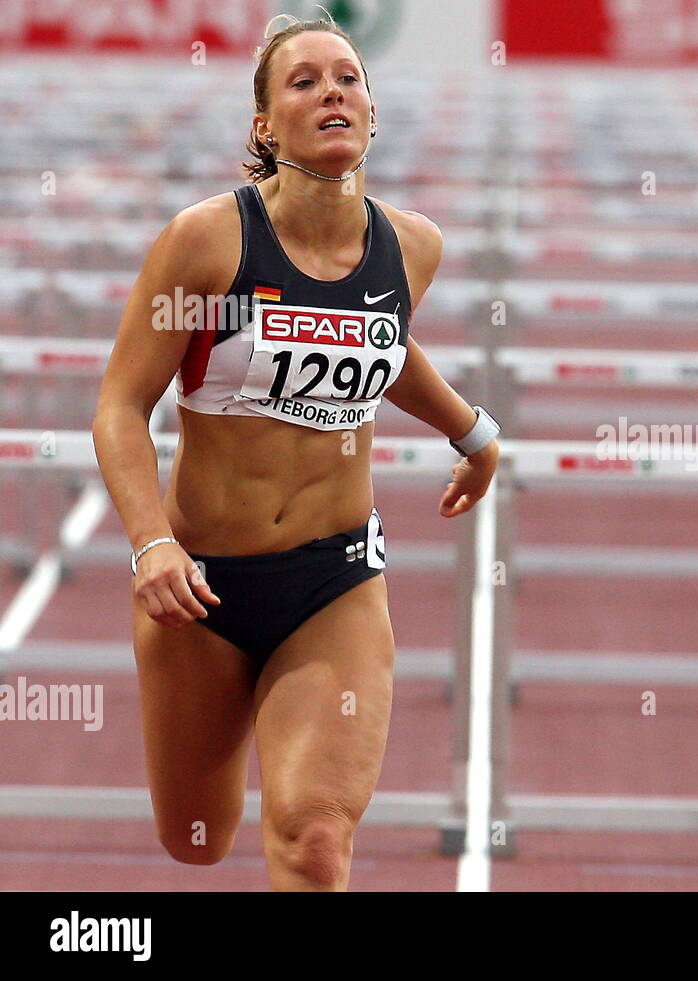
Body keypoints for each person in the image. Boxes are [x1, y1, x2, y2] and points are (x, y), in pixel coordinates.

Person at [91, 14, 500, 891]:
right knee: (195, 837)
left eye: (347, 77)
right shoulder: (207, 241)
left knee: (314, 841)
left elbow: (379, 343)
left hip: (334, 580)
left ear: (373, 109)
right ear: (264, 127)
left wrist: (472, 431)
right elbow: (121, 407)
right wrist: (149, 542)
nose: (332, 93)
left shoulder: (412, 246)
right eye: (305, 81)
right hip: (199, 584)